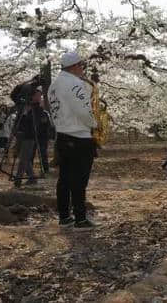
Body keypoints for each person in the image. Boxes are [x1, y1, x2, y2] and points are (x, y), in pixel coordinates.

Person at [48, 52, 98, 229]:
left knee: (64, 179)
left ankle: (64, 216)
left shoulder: (53, 85)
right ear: (75, 66)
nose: (83, 69)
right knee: (79, 179)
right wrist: (95, 124)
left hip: (62, 136)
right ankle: (81, 219)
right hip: (79, 137)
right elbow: (83, 111)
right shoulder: (75, 83)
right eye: (81, 66)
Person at [13, 89, 48, 188]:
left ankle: (18, 179)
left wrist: (28, 112)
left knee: (24, 158)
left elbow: (34, 122)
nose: (39, 98)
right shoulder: (23, 104)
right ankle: (32, 177)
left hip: (29, 136)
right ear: (31, 96)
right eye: (37, 95)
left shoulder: (38, 109)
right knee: (23, 157)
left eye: (40, 96)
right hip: (19, 134)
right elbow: (14, 96)